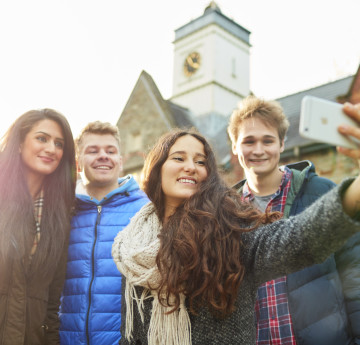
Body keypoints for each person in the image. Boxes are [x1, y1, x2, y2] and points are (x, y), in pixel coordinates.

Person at [112, 102, 360, 345]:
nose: (191, 167)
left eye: (200, 162)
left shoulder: (229, 231)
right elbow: (130, 334)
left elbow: (297, 237)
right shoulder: (133, 244)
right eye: (178, 158)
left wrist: (353, 193)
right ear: (157, 168)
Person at [227, 96, 360, 345]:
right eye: (249, 141)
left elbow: (355, 274)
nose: (258, 150)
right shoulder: (225, 213)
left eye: (268, 140)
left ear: (282, 144)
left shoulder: (323, 193)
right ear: (234, 146)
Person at [59, 121, 148, 344]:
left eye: (110, 151)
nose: (103, 156)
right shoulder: (62, 209)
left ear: (120, 160)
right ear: (78, 162)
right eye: (93, 151)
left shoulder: (145, 210)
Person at [0, 109, 76, 345]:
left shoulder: (60, 216)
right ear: (20, 143)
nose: (51, 149)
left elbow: (53, 303)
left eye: (59, 143)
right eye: (42, 138)